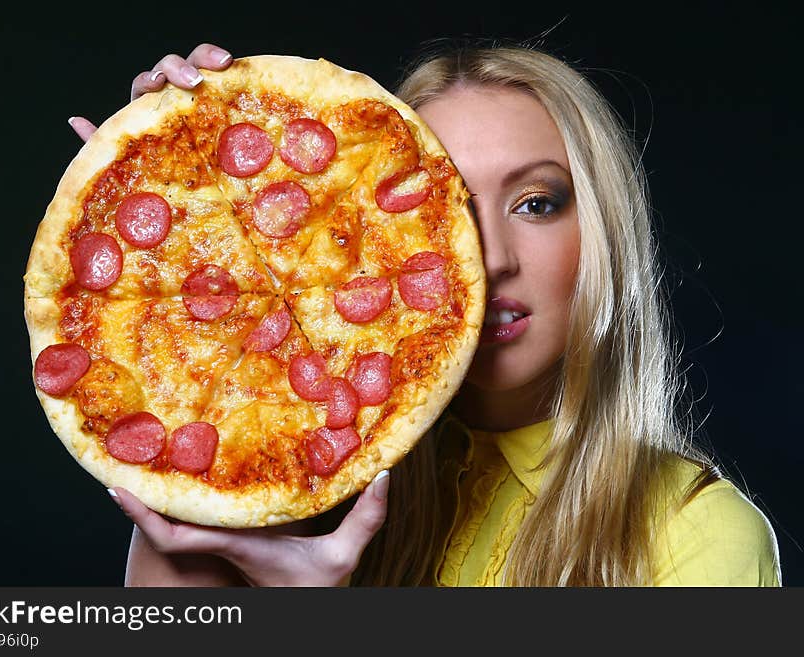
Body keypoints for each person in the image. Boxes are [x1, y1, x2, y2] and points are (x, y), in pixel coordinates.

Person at [69, 40, 782, 587]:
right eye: (445, 209)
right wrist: (185, 209)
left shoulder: (702, 533)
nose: (490, 259)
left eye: (537, 203)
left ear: (603, 234)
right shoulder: (294, 487)